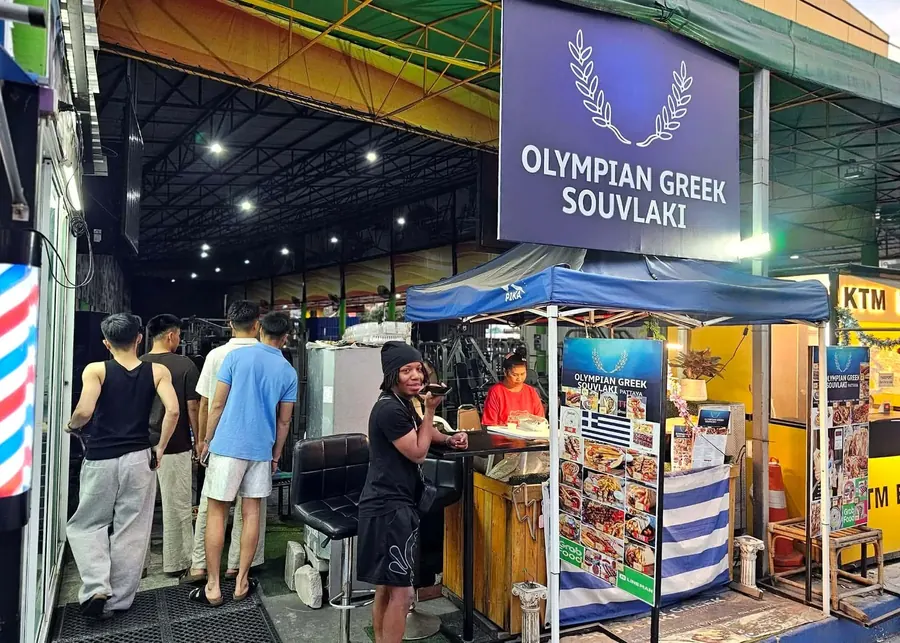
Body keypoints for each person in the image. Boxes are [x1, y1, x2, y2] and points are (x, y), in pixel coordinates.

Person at [65, 313, 180, 619]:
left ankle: (96, 587)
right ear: (138, 338)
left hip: (101, 458)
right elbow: (173, 410)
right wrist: (160, 447)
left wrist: (71, 426)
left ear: (106, 343)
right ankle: (117, 602)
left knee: (87, 524)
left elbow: (85, 410)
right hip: (139, 458)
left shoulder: (96, 370)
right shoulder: (157, 371)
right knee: (132, 528)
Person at [357, 342, 468, 643]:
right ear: (392, 374)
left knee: (386, 586)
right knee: (403, 595)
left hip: (389, 503)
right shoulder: (389, 409)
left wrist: (448, 440)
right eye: (406, 370)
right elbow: (419, 452)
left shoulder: (401, 402)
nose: (416, 376)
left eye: (418, 369)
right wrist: (432, 408)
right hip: (388, 508)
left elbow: (424, 432)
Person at [192, 311, 297, 606]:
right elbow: (284, 421)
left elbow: (217, 404)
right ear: (286, 337)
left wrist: (206, 441)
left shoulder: (235, 359)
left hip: (226, 446)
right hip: (260, 450)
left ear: (259, 329)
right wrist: (275, 456)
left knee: (216, 513)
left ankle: (213, 586)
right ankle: (241, 582)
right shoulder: (287, 371)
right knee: (251, 515)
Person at [183, 300, 265, 585]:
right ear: (257, 324)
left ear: (230, 323)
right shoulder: (270, 356)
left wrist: (203, 440)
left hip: (222, 443)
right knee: (250, 509)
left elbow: (207, 403)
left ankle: (201, 567)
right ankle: (238, 569)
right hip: (257, 443)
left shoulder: (217, 355)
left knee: (212, 506)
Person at [140, 314, 200, 575]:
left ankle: (137, 566)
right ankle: (176, 563)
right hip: (175, 445)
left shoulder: (138, 364)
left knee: (138, 511)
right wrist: (199, 440)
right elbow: (193, 407)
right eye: (178, 335)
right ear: (171, 336)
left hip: (139, 446)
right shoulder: (184, 365)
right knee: (177, 507)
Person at [481, 354, 545, 426]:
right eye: (515, 375)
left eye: (522, 374)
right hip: (504, 436)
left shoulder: (531, 392)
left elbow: (540, 421)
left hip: (529, 435)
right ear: (505, 372)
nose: (519, 378)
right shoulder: (496, 392)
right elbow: (490, 424)